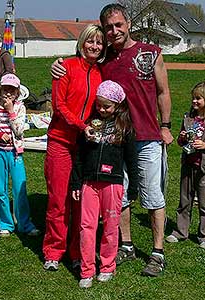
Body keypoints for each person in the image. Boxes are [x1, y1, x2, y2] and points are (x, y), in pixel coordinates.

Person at [51, 3, 174, 277]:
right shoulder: (106, 61)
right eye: (108, 27)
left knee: (153, 195)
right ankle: (126, 244)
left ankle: (157, 252)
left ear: (127, 23)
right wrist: (58, 64)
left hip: (148, 137)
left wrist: (165, 125)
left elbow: (164, 92)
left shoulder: (150, 53)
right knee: (121, 195)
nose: (114, 31)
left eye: (118, 25)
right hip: (116, 140)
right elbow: (82, 62)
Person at [42, 24, 107, 272]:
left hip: (85, 143)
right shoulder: (65, 67)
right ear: (82, 43)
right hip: (61, 141)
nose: (94, 46)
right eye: (90, 41)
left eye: (99, 42)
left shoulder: (101, 72)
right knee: (58, 200)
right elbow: (59, 106)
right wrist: (82, 126)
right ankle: (53, 251)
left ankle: (77, 250)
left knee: (81, 201)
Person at [72, 80, 138, 288]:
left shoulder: (125, 128)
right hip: (89, 182)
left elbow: (132, 160)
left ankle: (108, 266)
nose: (101, 109)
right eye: (99, 104)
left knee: (110, 226)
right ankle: (87, 270)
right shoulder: (90, 125)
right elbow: (79, 156)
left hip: (113, 184)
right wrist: (75, 183)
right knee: (86, 226)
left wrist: (134, 186)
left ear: (117, 105)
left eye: (106, 106)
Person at [165, 81, 205, 248]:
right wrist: (183, 137)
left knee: (204, 202)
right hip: (188, 165)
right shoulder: (188, 118)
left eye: (198, 98)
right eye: (193, 98)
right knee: (184, 201)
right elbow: (179, 141)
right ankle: (180, 232)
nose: (194, 101)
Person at [0, 73, 40, 237]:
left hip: (15, 154)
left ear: (17, 93)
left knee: (20, 188)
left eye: (12, 91)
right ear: (0, 90)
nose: (8, 94)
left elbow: (19, 131)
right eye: (5, 89)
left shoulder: (19, 108)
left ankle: (25, 224)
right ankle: (5, 223)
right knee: (1, 190)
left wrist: (11, 111)